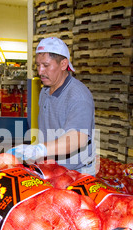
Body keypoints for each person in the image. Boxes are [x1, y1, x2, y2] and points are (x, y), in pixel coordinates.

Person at [8, 37, 96, 175]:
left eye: (46, 65)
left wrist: (39, 149)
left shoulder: (78, 96)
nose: (40, 71)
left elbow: (77, 138)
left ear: (63, 64)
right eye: (38, 65)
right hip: (51, 169)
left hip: (76, 172)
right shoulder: (45, 91)